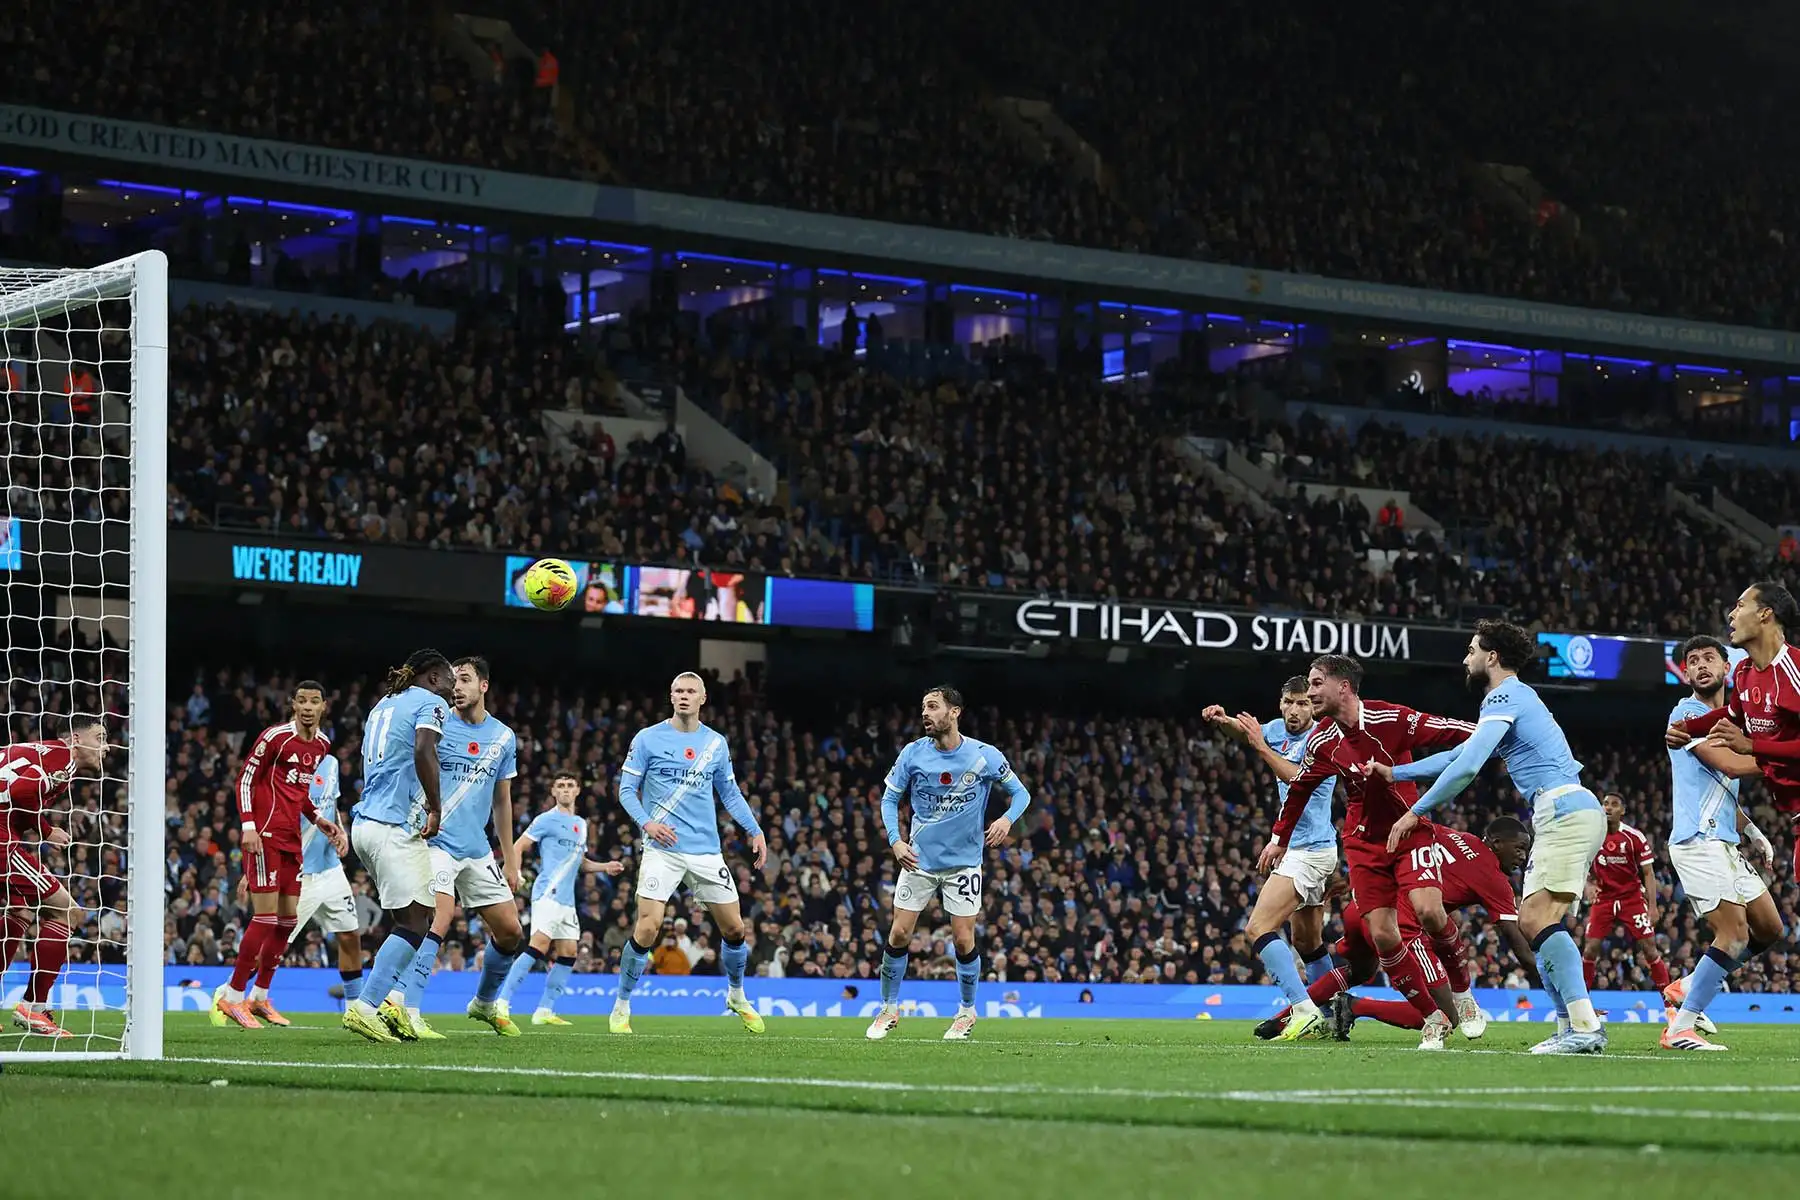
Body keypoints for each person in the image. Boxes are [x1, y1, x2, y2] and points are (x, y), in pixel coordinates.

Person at [1386, 619, 1608, 1054]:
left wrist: (1414, 811)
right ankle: (1571, 1027)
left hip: (1562, 808)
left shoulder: (1504, 695)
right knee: (1534, 920)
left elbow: (1467, 768)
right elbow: (1459, 754)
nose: (1466, 658)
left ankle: (1583, 1027)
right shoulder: (1515, 700)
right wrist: (1396, 773)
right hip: (1568, 808)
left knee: (1536, 921)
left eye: (1471, 650)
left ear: (1491, 657)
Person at [1271, 655, 1475, 1040]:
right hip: (1363, 843)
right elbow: (1299, 789)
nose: (1310, 691)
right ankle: (1433, 1017)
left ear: (1342, 687)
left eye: (1316, 684)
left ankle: (1463, 994)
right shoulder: (1322, 740)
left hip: (1409, 831)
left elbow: (1448, 729)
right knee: (1384, 936)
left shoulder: (1391, 720)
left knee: (1429, 911)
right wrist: (1279, 839)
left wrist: (1494, 733)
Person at [865, 685, 1032, 1042]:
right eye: (923, 707)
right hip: (918, 861)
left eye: (933, 706)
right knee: (898, 934)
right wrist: (895, 841)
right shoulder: (912, 754)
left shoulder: (984, 756)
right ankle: (888, 1009)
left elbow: (1022, 794)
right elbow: (889, 800)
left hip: (963, 865)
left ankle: (967, 1013)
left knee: (962, 938)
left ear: (954, 712)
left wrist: (1005, 820)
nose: (925, 713)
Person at [612, 672, 767, 1035]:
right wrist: (648, 824)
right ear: (671, 696)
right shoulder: (647, 738)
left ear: (703, 698)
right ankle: (621, 1004)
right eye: (678, 691)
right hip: (661, 849)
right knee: (648, 926)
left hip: (705, 851)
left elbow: (730, 795)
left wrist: (755, 829)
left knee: (734, 928)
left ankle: (736, 995)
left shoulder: (715, 744)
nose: (684, 696)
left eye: (690, 691)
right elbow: (625, 790)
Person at [1659, 634, 1784, 1050]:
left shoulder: (1735, 720)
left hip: (1725, 842)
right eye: (1691, 661)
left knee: (1769, 928)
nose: (1699, 665)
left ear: (1725, 667)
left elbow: (1723, 787)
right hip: (1698, 841)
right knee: (1733, 936)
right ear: (1686, 673)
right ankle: (1680, 1028)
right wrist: (1782, 756)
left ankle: (1688, 986)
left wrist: (1753, 832)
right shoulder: (1686, 714)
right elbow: (1727, 763)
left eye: (1708, 658)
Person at [1204, 677, 1340, 1041]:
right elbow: (1249, 734)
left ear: (1314, 706)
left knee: (1257, 927)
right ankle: (1333, 1015)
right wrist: (1225, 721)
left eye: (1302, 704)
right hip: (1306, 848)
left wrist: (1262, 748)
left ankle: (1303, 1009)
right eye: (1288, 703)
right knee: (1309, 943)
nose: (1294, 711)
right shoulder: (1278, 729)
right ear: (1280, 703)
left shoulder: (1324, 738)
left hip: (1310, 850)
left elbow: (1299, 779)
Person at [410, 656, 528, 1038]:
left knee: (511, 932)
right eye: (452, 680)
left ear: (484, 686)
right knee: (440, 916)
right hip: (436, 839)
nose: (455, 687)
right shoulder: (438, 723)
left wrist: (510, 861)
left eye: (463, 679)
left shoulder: (503, 737)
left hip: (476, 848)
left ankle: (484, 1003)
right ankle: (408, 1007)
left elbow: (502, 801)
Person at [212, 681, 342, 1030]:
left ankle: (260, 995)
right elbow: (244, 780)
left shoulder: (323, 745)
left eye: (314, 701)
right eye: (301, 701)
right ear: (293, 705)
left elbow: (298, 793)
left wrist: (318, 819)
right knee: (266, 919)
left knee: (287, 922)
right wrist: (249, 825)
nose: (308, 707)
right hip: (265, 834)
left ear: (324, 706)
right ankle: (232, 996)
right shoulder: (275, 737)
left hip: (291, 839)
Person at [341, 649, 454, 1044]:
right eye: (450, 680)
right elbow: (425, 750)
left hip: (366, 823)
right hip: (392, 825)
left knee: (412, 918)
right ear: (435, 678)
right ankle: (367, 1007)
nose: (454, 689)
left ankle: (392, 1004)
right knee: (416, 921)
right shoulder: (430, 702)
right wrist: (435, 807)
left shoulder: (383, 705)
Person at [1668, 581, 1800, 879]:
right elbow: (1731, 714)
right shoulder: (1745, 673)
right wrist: (1686, 727)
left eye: (1740, 605)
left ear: (1765, 614)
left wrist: (1753, 747)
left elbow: (1741, 752)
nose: (1731, 615)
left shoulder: (1795, 670)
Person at [0, 716, 110, 1038]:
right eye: (100, 737)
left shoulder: (42, 751)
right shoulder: (64, 760)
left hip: (8, 833)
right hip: (2, 839)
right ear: (76, 738)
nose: (106, 746)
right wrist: (47, 831)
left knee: (19, 911)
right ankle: (33, 1007)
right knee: (68, 911)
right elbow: (20, 790)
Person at [496, 771, 624, 1025]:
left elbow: (580, 863)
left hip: (567, 900)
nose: (565, 790)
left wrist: (604, 866)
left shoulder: (581, 824)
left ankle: (544, 1010)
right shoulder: (546, 820)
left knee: (568, 952)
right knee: (539, 944)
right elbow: (518, 846)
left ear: (577, 791)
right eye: (561, 786)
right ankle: (501, 1003)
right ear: (553, 792)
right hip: (548, 892)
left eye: (570, 786)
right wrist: (516, 871)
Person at [286, 745, 364, 1007]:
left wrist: (341, 833)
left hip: (330, 869)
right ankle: (231, 992)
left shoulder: (330, 762)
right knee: (272, 946)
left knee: (350, 935)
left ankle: (355, 1009)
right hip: (299, 872)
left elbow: (331, 806)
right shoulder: (285, 761)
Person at [1579, 791, 1668, 996]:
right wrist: (1588, 884)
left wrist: (1653, 907)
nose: (1608, 808)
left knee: (1650, 948)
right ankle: (1582, 1003)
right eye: (1605, 804)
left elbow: (1648, 872)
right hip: (1604, 898)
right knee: (1590, 949)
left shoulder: (1634, 837)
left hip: (1632, 898)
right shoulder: (1592, 836)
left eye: (1614, 804)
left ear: (1623, 811)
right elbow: (1581, 864)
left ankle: (1669, 1003)